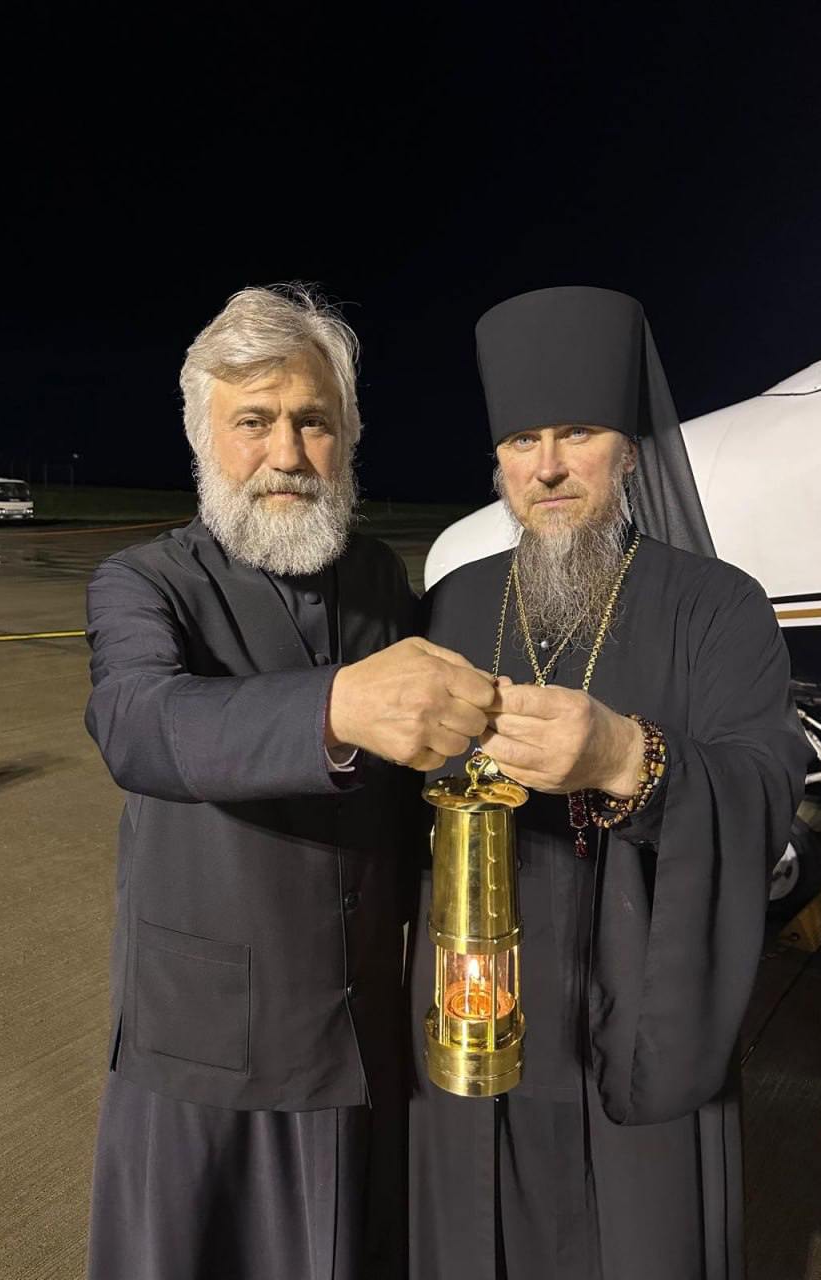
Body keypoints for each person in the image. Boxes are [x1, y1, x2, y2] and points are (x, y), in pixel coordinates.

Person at [83, 284, 497, 1280]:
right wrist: (335, 706)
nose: (287, 452)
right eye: (254, 422)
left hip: (361, 1035)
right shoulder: (146, 583)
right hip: (209, 1047)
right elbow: (140, 723)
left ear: (346, 438)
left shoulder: (380, 582)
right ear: (204, 438)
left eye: (313, 422)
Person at [408, 285, 810, 1280]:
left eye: (576, 434)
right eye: (522, 441)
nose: (547, 467)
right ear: (499, 461)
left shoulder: (718, 604)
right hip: (477, 1024)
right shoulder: (450, 605)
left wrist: (629, 758)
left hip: (638, 1023)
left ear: (628, 450)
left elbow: (766, 789)